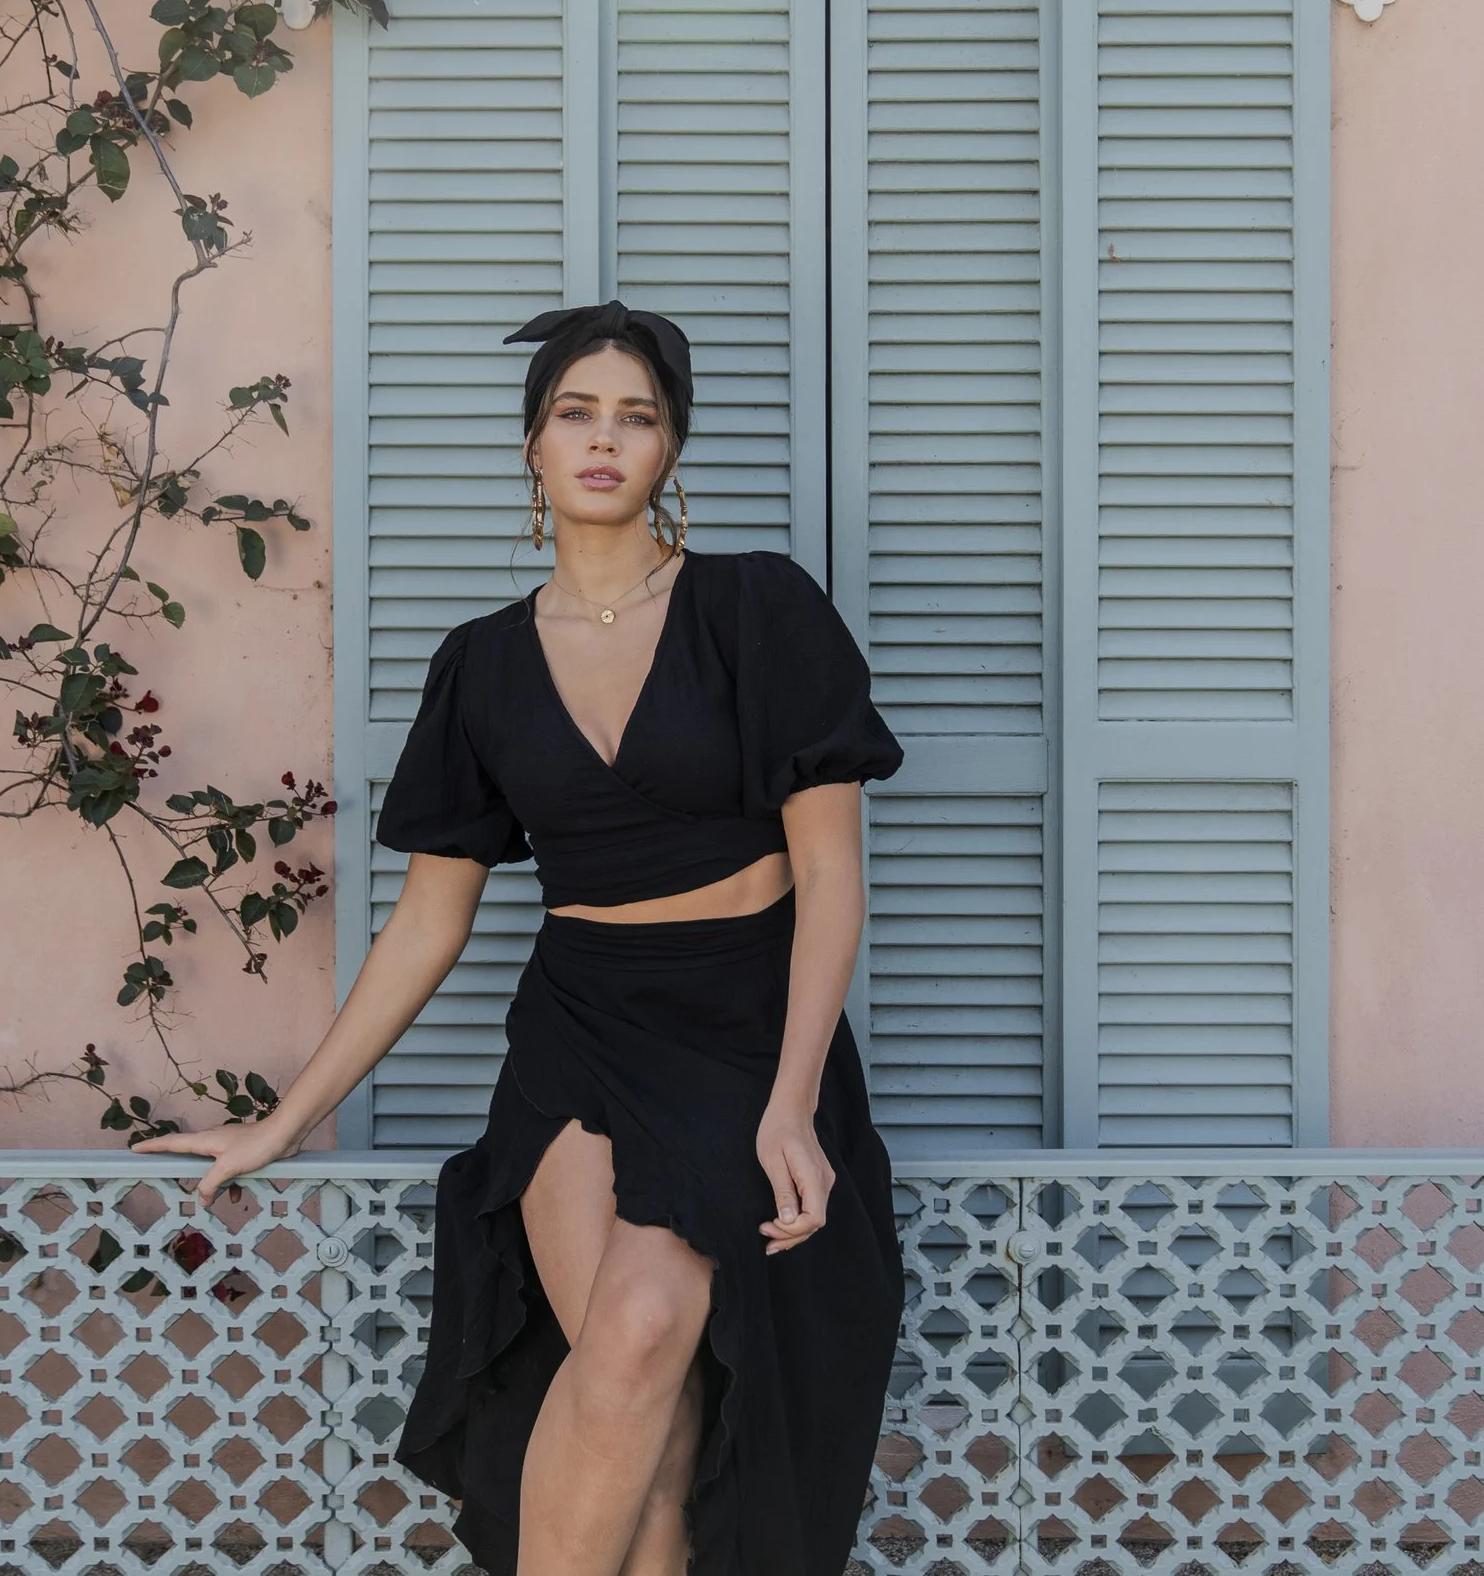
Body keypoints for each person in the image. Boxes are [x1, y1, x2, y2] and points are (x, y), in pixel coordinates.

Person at [138, 300, 908, 1575]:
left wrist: (791, 1101)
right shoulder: (482, 664)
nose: (604, 439)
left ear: (670, 451)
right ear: (532, 445)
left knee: (648, 1326)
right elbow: (429, 923)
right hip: (578, 1031)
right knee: (642, 1408)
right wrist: (286, 1117)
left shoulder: (756, 607)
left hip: (742, 1028)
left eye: (637, 417)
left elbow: (830, 873)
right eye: (575, 412)